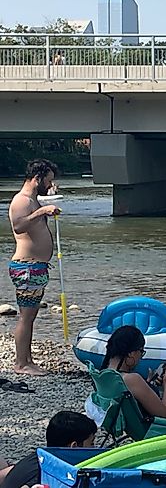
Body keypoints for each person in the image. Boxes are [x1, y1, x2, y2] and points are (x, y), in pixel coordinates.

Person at [7, 159, 60, 376]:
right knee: (25, 316)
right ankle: (21, 363)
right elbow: (19, 226)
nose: (49, 185)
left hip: (35, 267)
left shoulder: (33, 199)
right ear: (37, 179)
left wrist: (49, 199)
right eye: (47, 181)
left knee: (31, 315)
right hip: (26, 266)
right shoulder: (21, 201)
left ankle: (27, 359)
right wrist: (42, 211)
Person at [0, 411, 97, 488]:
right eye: (91, 443)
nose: (95, 448)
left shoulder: (37, 458)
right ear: (74, 446)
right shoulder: (50, 474)